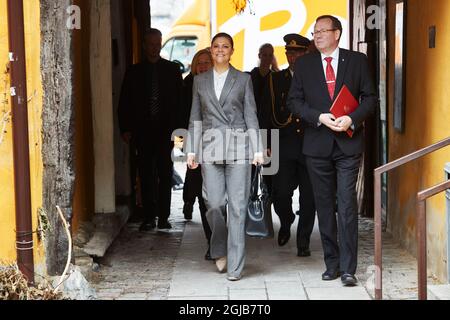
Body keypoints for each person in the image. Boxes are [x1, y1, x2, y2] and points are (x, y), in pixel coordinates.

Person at [287, 15, 377, 286]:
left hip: (348, 142)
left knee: (347, 204)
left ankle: (349, 268)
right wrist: (317, 117)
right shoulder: (304, 65)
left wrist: (353, 118)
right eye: (315, 32)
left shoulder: (357, 61)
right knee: (323, 204)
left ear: (337, 33)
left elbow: (371, 98)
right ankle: (332, 263)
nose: (317, 35)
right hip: (317, 144)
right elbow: (294, 101)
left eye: (323, 31)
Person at [186, 33, 264, 281]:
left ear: (232, 51)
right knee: (215, 204)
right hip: (210, 148)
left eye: (225, 47)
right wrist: (191, 149)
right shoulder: (200, 81)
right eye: (216, 46)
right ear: (210, 50)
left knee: (238, 208)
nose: (220, 50)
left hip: (239, 148)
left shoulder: (243, 79)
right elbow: (195, 117)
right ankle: (219, 248)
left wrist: (258, 149)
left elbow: (251, 115)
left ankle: (235, 266)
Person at [118, 28, 183, 232]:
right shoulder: (134, 71)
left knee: (165, 173)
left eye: (158, 44)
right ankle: (148, 217)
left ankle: (163, 217)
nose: (154, 48)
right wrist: (126, 128)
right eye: (151, 44)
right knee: (145, 174)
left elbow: (180, 103)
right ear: (144, 45)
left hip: (166, 132)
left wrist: (179, 132)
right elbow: (124, 102)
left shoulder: (172, 70)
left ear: (161, 44)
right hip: (143, 132)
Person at [261, 34, 316, 257]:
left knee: (309, 197)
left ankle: (303, 241)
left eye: (297, 53)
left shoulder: (317, 77)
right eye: (289, 53)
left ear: (306, 54)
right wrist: (266, 143)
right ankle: (286, 220)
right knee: (281, 193)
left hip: (311, 145)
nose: (293, 57)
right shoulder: (275, 80)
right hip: (283, 145)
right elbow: (265, 113)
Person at [182, 48, 214, 260]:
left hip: (221, 146)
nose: (202, 66)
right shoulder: (187, 85)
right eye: (199, 62)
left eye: (206, 62)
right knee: (204, 198)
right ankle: (212, 242)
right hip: (197, 147)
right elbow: (182, 115)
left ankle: (221, 238)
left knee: (218, 199)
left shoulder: (220, 84)